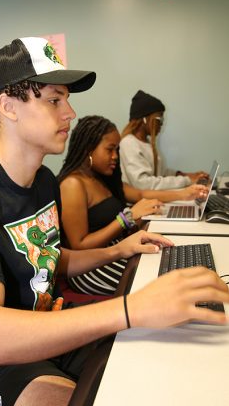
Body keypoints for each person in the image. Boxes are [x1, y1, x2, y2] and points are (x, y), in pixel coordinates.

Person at [0, 37, 229, 406]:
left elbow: (50, 258)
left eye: (66, 100)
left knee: (168, 377)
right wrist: (130, 309)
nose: (70, 113)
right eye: (54, 100)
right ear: (8, 107)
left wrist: (117, 249)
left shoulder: (44, 181)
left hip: (53, 327)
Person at [58, 115, 209, 295]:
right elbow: (80, 245)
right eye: (110, 149)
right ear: (89, 149)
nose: (115, 156)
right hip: (91, 267)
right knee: (165, 284)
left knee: (171, 267)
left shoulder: (101, 178)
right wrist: (127, 218)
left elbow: (140, 194)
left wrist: (184, 194)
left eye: (117, 150)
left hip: (117, 250)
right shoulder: (73, 184)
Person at [119, 90, 208, 190]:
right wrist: (187, 180)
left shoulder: (146, 143)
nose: (161, 124)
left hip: (151, 199)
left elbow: (160, 174)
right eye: (159, 119)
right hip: (138, 204)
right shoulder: (129, 144)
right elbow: (143, 183)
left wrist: (184, 175)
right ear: (144, 119)